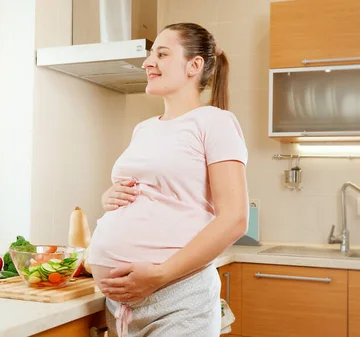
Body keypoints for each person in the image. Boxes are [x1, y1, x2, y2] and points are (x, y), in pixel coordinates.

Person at [86, 22, 249, 337]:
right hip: (121, 306)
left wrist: (159, 275)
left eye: (161, 54)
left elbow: (234, 219)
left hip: (178, 299)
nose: (148, 63)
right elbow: (156, 192)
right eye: (150, 56)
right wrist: (112, 199)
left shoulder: (215, 122)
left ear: (194, 65)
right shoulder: (144, 128)